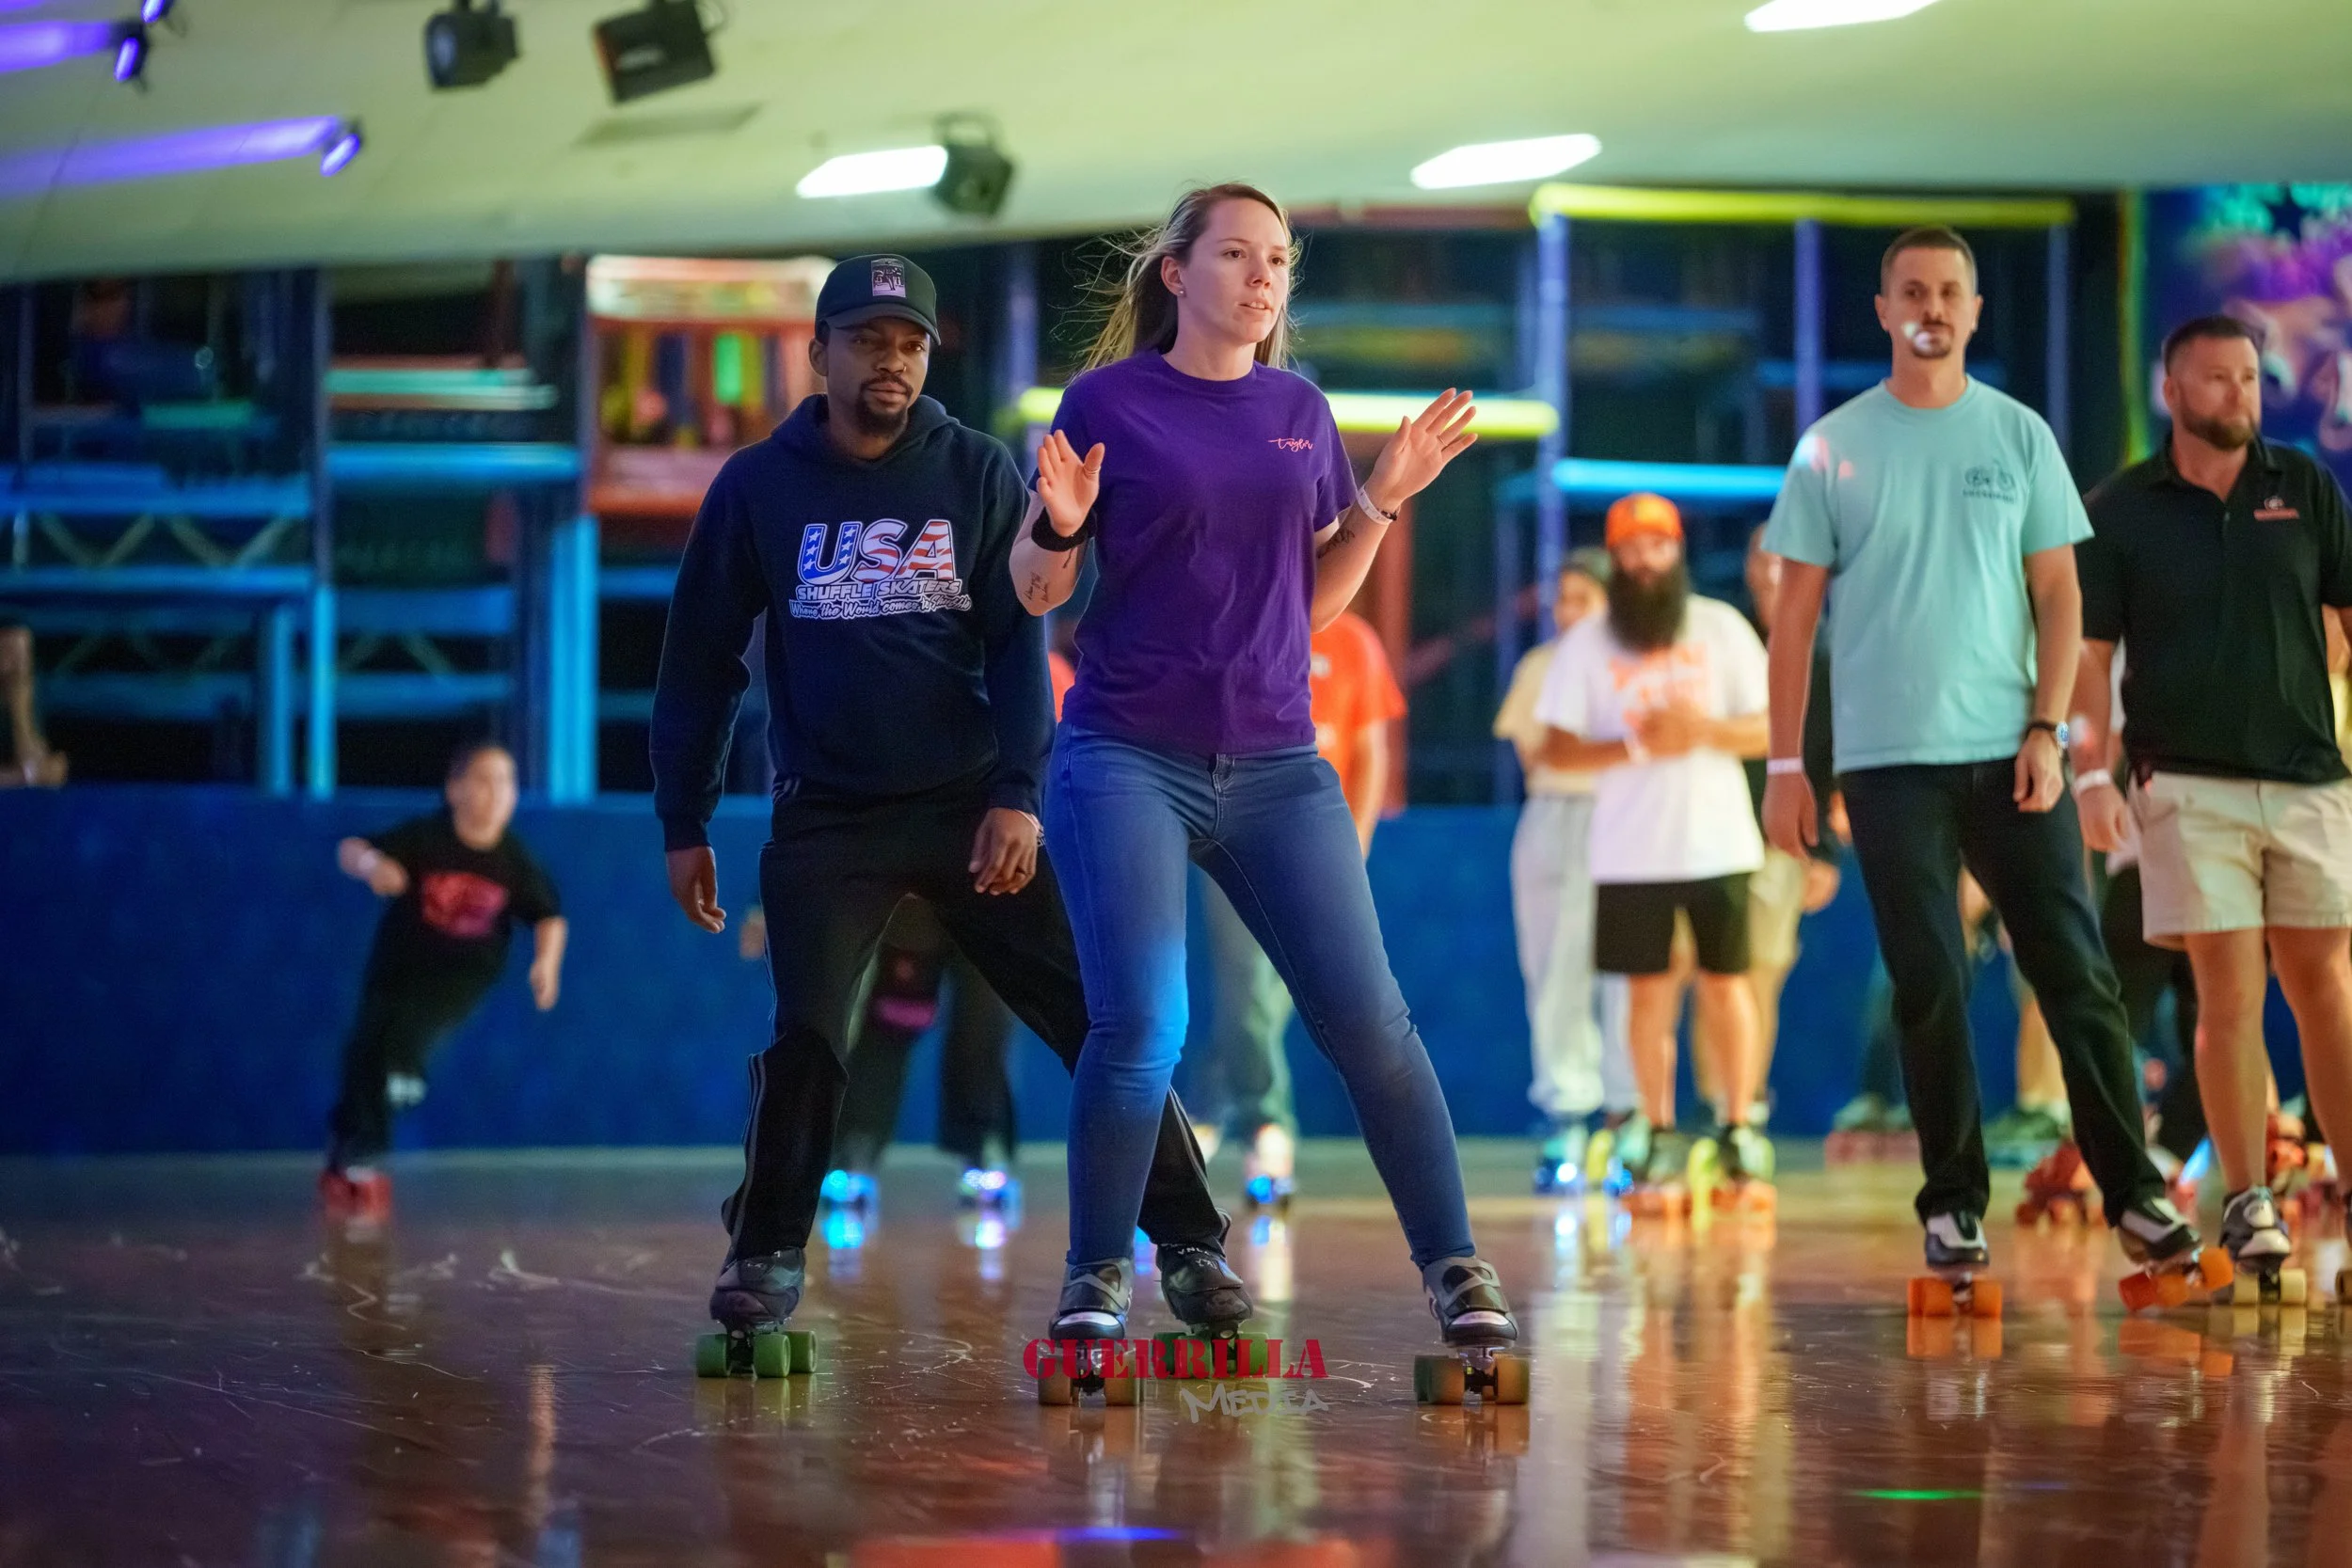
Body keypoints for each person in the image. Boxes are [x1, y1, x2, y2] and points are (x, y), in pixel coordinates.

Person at [650, 254, 1250, 1353]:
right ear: (821, 350)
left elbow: (1019, 643)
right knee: (810, 1037)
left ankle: (1193, 1242)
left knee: (1093, 1018)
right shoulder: (756, 487)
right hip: (827, 817)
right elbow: (699, 663)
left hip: (972, 804)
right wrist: (683, 821)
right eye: (871, 339)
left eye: (913, 342)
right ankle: (767, 1250)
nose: (894, 359)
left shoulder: (973, 469)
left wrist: (1018, 792)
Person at [1008, 182, 1516, 1354]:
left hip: (1280, 765)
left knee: (1371, 1022)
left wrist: (1379, 502)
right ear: (1176, 274)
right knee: (1143, 1026)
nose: (1261, 277)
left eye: (1278, 259)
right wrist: (1061, 526)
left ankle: (1455, 1267)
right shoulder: (1107, 402)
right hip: (1128, 753)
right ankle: (1096, 1277)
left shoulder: (1300, 410)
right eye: (1235, 254)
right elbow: (1039, 595)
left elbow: (1316, 604)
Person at [1760, 225, 2206, 1291]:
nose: (1931, 305)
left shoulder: (2017, 436)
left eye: (1949, 290)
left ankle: (2134, 1194)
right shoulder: (1831, 446)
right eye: (1910, 288)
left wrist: (2049, 730)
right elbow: (1794, 623)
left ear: (1971, 310)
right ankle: (1953, 1204)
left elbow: (2061, 595)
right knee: (1929, 981)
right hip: (1885, 762)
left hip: (2014, 753)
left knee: (2076, 974)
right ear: (1882, 309)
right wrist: (1788, 767)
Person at [2074, 312, 2352, 1275]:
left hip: (2310, 776)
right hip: (2184, 783)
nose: (2239, 394)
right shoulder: (2119, 508)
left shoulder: (2304, 485)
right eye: (2217, 379)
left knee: (2325, 987)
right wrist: (2085, 776)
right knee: (2227, 992)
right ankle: (2247, 1199)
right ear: (2171, 390)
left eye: (2248, 378)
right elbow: (2089, 655)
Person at [1534, 493, 1773, 1197]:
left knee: (1729, 983)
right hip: (1630, 849)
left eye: (1657, 546)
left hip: (1720, 842)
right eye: (1631, 549)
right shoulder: (1589, 643)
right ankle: (1658, 1127)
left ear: (1678, 552)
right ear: (1614, 559)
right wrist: (1636, 742)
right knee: (1646, 993)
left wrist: (1701, 731)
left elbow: (1769, 728)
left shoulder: (1721, 628)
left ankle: (1739, 1126)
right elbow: (1554, 749)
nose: (1644, 560)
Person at [1192, 606, 1407, 1207]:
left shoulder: (1356, 641)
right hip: (1234, 831)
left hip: (1320, 840)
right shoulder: (1238, 624)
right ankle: (1268, 1124)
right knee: (1243, 984)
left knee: (1276, 993)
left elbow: (1371, 750)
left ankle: (1208, 1112)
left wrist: (1356, 840)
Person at [322, 741, 565, 1219]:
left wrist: (547, 964)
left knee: (408, 1032)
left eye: (506, 783)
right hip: (398, 964)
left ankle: (391, 1102)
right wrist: (375, 865)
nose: (496, 794)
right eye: (483, 780)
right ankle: (349, 1154)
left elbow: (548, 916)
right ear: (454, 789)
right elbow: (350, 850)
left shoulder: (515, 862)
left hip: (464, 974)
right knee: (364, 1049)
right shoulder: (427, 838)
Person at [1494, 550, 1634, 1191]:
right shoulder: (1541, 666)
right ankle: (1566, 1112)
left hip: (1631, 818)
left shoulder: (1636, 661)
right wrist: (1617, 750)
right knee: (1554, 966)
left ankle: (1628, 1111)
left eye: (1585, 597)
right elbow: (1540, 751)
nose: (1570, 611)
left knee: (1630, 970)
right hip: (1555, 818)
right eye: (1563, 599)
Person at [0, 622, 67, 788]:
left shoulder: (26, 690)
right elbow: (33, 775)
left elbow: (47, 770)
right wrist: (25, 777)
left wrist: (20, 712)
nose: (12, 662)